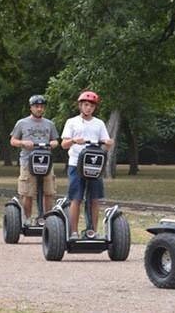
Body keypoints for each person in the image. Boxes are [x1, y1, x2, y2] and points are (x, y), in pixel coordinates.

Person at [61, 91, 114, 239]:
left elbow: (107, 143)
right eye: (85, 105)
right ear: (80, 106)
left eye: (91, 105)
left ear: (94, 107)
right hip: (76, 164)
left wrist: (109, 143)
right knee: (76, 198)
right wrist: (73, 141)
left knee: (94, 198)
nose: (88, 108)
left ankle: (92, 231)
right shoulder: (72, 122)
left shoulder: (99, 123)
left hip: (94, 165)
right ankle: (73, 232)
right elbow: (64, 144)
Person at [10, 95, 59, 226]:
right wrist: (23, 143)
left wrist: (53, 143)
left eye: (41, 107)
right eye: (36, 106)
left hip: (46, 162)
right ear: (31, 108)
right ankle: (26, 219)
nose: (39, 109)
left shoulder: (50, 124)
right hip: (27, 162)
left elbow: (55, 140)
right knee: (28, 193)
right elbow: (13, 141)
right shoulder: (22, 123)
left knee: (49, 191)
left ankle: (48, 220)